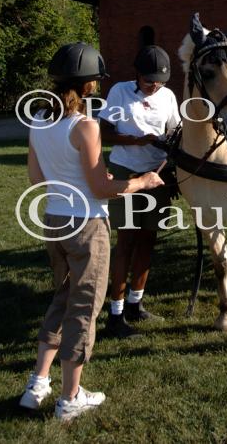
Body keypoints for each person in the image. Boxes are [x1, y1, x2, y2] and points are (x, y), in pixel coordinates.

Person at [19, 42, 164, 421]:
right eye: (96, 80)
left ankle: (37, 383)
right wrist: (142, 182)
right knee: (83, 309)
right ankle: (70, 399)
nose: (100, 85)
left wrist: (82, 178)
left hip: (53, 220)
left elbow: (37, 177)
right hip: (86, 225)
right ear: (87, 85)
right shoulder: (85, 125)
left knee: (62, 299)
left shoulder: (38, 118)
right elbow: (101, 189)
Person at [99, 45, 180, 338]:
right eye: (149, 81)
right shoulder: (119, 92)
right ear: (137, 75)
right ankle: (115, 313)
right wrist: (135, 141)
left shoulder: (168, 96)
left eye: (159, 80)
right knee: (126, 242)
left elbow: (175, 132)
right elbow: (103, 131)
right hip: (125, 172)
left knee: (148, 239)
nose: (154, 85)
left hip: (156, 176)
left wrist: (171, 160)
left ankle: (136, 303)